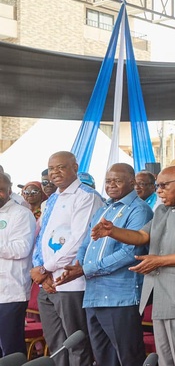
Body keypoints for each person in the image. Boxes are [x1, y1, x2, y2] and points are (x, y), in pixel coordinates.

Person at [90, 165, 175, 366]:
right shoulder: (162, 210)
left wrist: (158, 261)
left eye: (163, 185)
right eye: (157, 185)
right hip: (161, 293)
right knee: (165, 358)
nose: (158, 190)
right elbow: (142, 236)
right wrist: (113, 231)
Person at [54, 163, 153, 366]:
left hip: (120, 297)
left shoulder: (139, 210)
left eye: (117, 180)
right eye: (108, 181)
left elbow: (130, 252)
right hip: (94, 294)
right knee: (103, 356)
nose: (111, 185)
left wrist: (86, 269)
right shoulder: (103, 209)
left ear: (132, 182)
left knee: (128, 356)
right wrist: (78, 265)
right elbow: (86, 243)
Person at [29, 151, 104, 366]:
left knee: (76, 343)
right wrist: (42, 273)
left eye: (61, 167)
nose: (55, 172)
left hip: (70, 282)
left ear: (75, 167)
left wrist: (45, 269)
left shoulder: (86, 196)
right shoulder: (52, 198)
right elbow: (41, 236)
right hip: (47, 282)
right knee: (55, 343)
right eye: (52, 168)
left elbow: (78, 241)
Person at [0, 172, 36, 358]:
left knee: (10, 349)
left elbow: (21, 249)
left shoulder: (21, 214)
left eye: (1, 190)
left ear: (9, 190)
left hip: (11, 293)